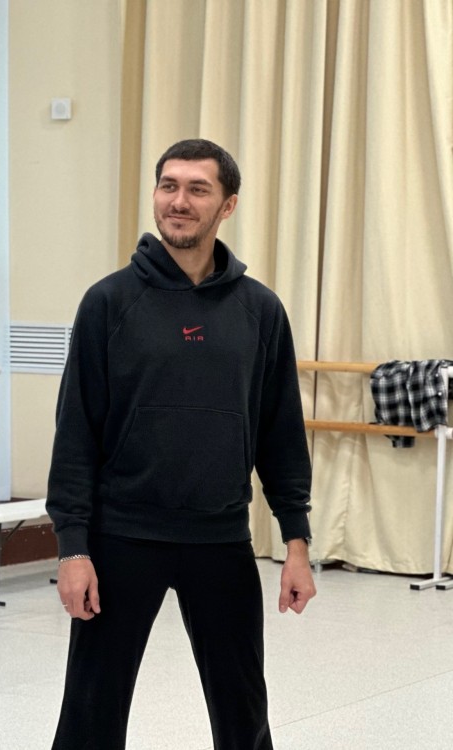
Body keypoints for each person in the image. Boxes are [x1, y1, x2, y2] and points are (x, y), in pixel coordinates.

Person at [46, 139, 316, 749]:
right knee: (90, 716)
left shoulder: (260, 310)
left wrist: (296, 542)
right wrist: (72, 548)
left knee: (244, 717)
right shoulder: (108, 302)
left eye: (198, 189)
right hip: (121, 538)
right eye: (169, 185)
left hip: (220, 540)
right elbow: (76, 433)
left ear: (227, 205)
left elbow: (279, 434)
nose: (179, 201)